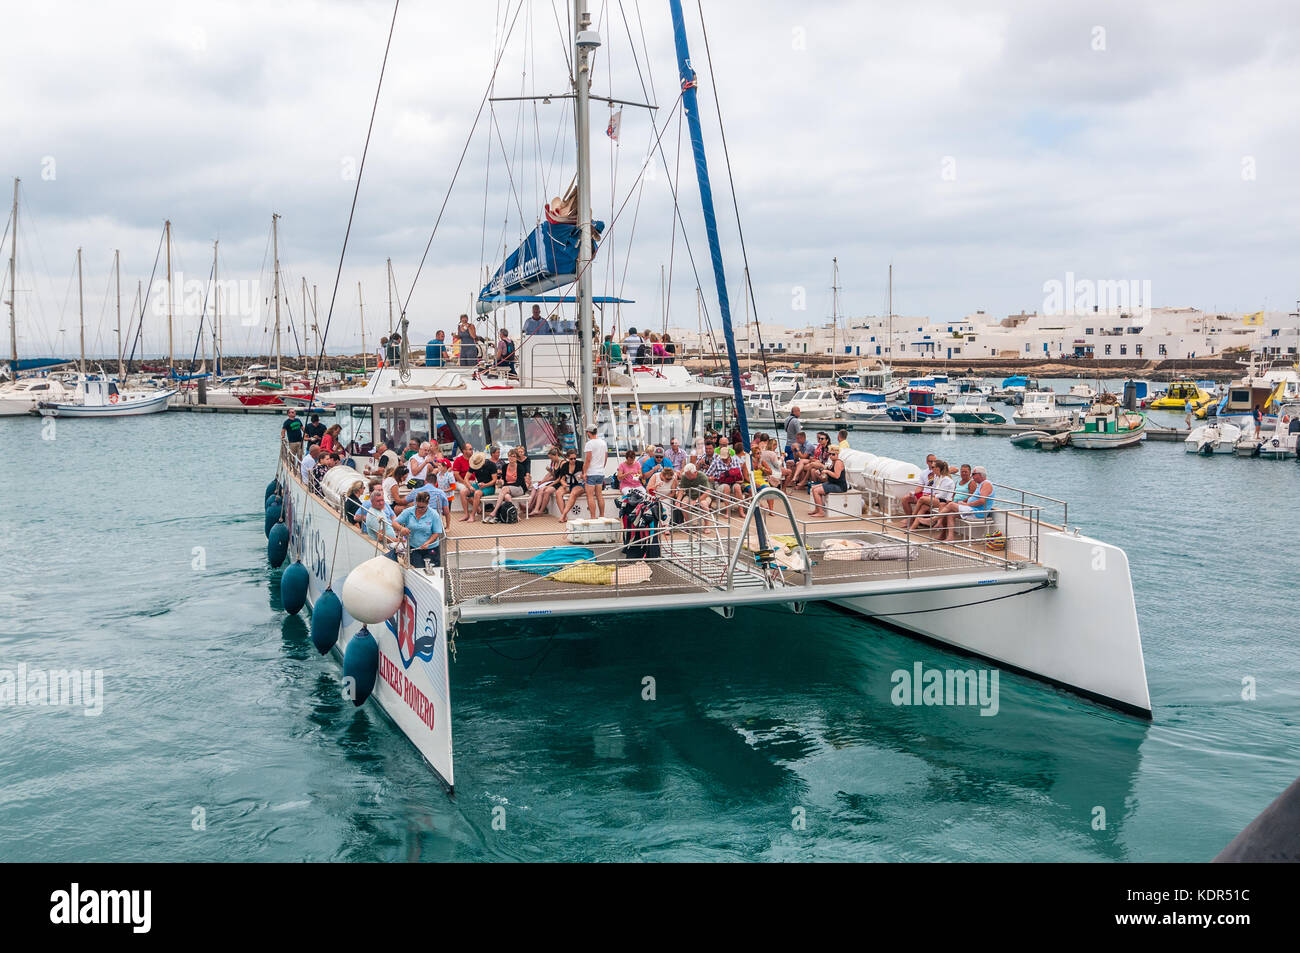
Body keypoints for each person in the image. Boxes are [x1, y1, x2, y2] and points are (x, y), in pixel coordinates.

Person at [935, 465, 995, 542]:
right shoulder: (981, 484)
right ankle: (950, 537)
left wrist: (966, 504)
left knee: (951, 505)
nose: (972, 476)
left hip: (977, 512)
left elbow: (982, 501)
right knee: (950, 513)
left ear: (980, 474)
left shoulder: (986, 484)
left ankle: (934, 519)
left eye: (973, 474)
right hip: (971, 509)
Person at [394, 491, 444, 569]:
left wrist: (427, 543)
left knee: (432, 570)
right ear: (415, 503)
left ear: (427, 504)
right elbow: (394, 523)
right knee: (417, 570)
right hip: (414, 548)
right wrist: (401, 528)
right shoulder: (408, 511)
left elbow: (436, 533)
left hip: (431, 549)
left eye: (423, 507)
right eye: (418, 506)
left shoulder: (434, 514)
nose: (420, 509)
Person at [485, 447, 531, 521]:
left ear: (516, 458)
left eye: (513, 456)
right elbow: (504, 480)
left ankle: (495, 511)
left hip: (519, 489)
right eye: (509, 456)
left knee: (504, 489)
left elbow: (518, 482)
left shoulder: (520, 467)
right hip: (508, 489)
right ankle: (515, 514)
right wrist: (501, 482)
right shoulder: (505, 467)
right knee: (506, 497)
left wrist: (506, 485)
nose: (511, 458)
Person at [907, 460, 954, 531]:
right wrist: (932, 495)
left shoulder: (946, 479)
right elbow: (937, 492)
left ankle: (912, 516)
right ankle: (912, 528)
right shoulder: (938, 477)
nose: (931, 469)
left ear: (937, 469)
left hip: (945, 501)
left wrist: (932, 496)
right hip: (939, 499)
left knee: (922, 499)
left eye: (933, 467)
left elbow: (942, 495)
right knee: (924, 507)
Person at [809, 445, 848, 517]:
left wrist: (827, 471)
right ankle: (817, 509)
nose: (831, 456)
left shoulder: (838, 462)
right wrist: (820, 473)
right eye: (830, 454)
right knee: (813, 488)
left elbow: (837, 476)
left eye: (833, 454)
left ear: (837, 454)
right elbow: (826, 478)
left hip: (839, 486)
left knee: (816, 491)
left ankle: (821, 512)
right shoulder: (833, 463)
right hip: (832, 483)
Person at [527, 447, 564, 516]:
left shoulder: (562, 463)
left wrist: (550, 485)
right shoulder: (555, 462)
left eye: (551, 458)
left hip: (560, 483)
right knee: (541, 490)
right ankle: (536, 509)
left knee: (547, 491)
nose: (551, 460)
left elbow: (560, 478)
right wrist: (550, 471)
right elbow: (554, 475)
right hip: (555, 481)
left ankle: (540, 511)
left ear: (556, 455)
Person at [581, 424, 608, 519]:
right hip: (600, 472)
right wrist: (601, 468)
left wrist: (584, 473)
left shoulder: (589, 444)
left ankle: (593, 517)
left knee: (590, 496)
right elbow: (605, 458)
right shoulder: (603, 443)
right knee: (599, 496)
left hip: (591, 473)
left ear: (588, 432)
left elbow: (587, 460)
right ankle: (602, 516)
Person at [468, 448, 501, 522]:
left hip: (489, 486)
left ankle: (472, 515)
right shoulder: (475, 463)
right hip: (479, 485)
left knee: (477, 493)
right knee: (463, 492)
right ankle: (467, 514)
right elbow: (466, 478)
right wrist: (470, 486)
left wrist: (485, 485)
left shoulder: (491, 465)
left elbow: (494, 480)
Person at [555, 448, 587, 522]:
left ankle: (563, 516)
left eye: (575, 458)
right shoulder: (565, 466)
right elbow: (562, 479)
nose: (573, 460)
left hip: (579, 484)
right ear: (567, 458)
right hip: (569, 484)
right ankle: (564, 515)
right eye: (571, 459)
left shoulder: (581, 464)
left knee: (573, 493)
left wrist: (582, 476)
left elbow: (586, 475)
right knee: (558, 493)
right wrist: (564, 484)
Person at [902, 454, 938, 518]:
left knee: (922, 499)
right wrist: (913, 493)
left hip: (933, 494)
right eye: (931, 461)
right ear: (927, 462)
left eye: (935, 461)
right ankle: (909, 518)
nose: (933, 463)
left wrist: (946, 471)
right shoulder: (924, 472)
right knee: (905, 498)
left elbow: (955, 469)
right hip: (924, 492)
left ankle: (911, 520)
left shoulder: (940, 472)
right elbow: (920, 487)